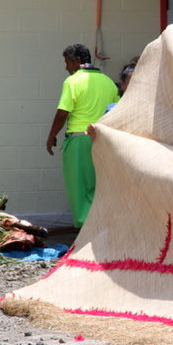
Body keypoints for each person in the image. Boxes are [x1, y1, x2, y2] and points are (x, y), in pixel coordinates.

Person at [46, 44, 119, 228]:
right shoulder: (108, 82)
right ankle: (101, 229)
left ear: (77, 61)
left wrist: (51, 135)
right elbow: (117, 110)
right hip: (103, 141)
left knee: (79, 188)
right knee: (98, 187)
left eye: (67, 62)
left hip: (79, 140)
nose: (66, 67)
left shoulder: (72, 81)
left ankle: (83, 230)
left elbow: (62, 113)